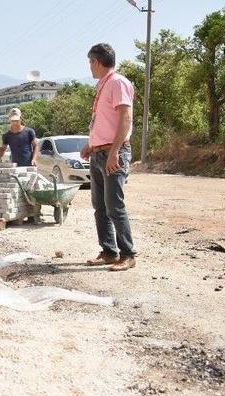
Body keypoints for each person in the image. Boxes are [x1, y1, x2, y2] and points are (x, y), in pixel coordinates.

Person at [80, 43, 137, 272]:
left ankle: (128, 254)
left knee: (114, 205)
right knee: (100, 206)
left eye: (90, 62)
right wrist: (90, 144)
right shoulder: (104, 85)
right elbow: (105, 120)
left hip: (114, 153)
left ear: (97, 62)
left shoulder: (117, 82)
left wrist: (114, 152)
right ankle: (109, 251)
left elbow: (125, 119)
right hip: (98, 152)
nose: (90, 67)